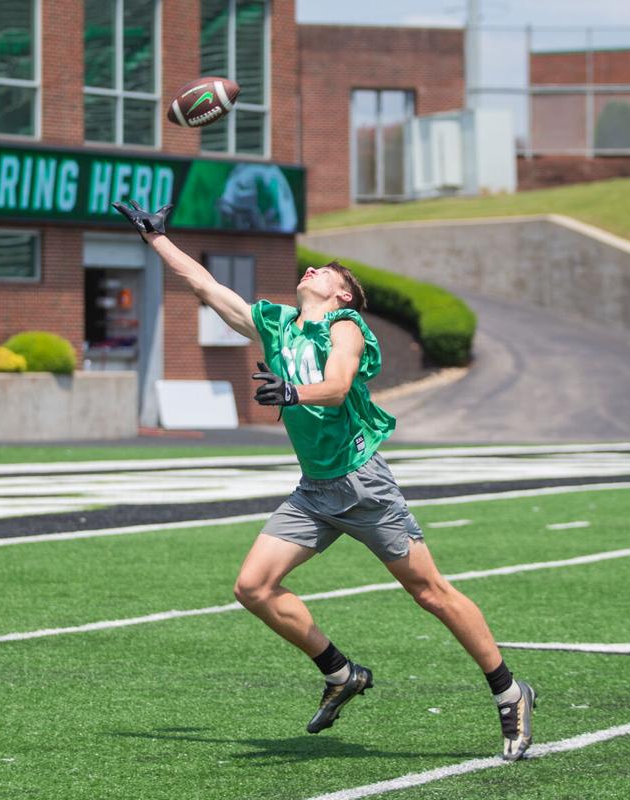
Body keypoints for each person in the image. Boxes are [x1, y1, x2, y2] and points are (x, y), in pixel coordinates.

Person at [112, 200, 536, 761]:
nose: (311, 271)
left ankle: (510, 692)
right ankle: (341, 673)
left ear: (341, 295)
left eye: (326, 273)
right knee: (252, 588)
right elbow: (207, 285)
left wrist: (290, 392)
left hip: (363, 485)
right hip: (315, 491)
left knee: (429, 592)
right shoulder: (277, 325)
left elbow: (336, 386)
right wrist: (157, 240)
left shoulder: (346, 326)